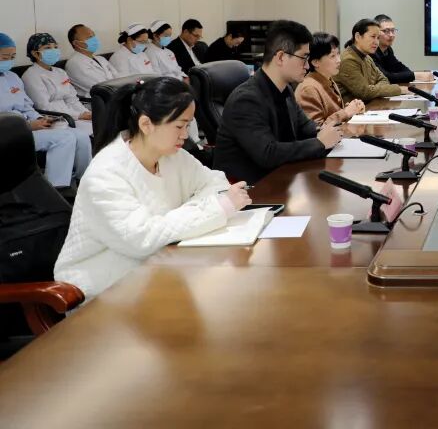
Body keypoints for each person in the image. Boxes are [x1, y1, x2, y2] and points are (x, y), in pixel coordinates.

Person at [53, 77, 252, 301]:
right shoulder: (106, 174)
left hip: (159, 272)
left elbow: (216, 183)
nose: (185, 135)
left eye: (188, 125)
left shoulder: (171, 156)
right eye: (179, 126)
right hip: (104, 290)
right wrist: (215, 209)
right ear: (146, 124)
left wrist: (195, 213)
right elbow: (142, 239)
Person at [213, 20, 341, 183]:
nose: (307, 65)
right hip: (249, 188)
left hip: (280, 177)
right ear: (280, 57)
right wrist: (319, 143)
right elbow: (268, 153)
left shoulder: (285, 89)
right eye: (303, 57)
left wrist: (327, 131)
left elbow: (305, 128)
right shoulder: (246, 100)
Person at [0, 32, 90, 192]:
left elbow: (27, 106)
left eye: (12, 57)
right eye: (5, 57)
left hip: (29, 125)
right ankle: (55, 189)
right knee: (64, 138)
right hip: (10, 133)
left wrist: (41, 119)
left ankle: (84, 180)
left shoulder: (12, 77)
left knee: (80, 135)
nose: (9, 61)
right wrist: (28, 125)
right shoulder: (31, 75)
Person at [21, 32, 93, 134]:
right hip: (55, 118)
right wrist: (78, 116)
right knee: (91, 130)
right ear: (35, 53)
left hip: (72, 114)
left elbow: (71, 98)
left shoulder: (60, 72)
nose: (53, 50)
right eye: (47, 48)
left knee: (101, 124)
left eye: (55, 47)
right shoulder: (31, 75)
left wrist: (85, 113)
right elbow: (43, 106)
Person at [295, 32, 366, 126]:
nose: (339, 60)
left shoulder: (327, 79)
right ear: (315, 62)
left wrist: (352, 109)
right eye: (332, 56)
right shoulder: (309, 89)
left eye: (338, 54)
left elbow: (332, 113)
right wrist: (345, 112)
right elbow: (316, 130)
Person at [337, 19, 405, 102]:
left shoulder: (367, 57)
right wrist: (398, 89)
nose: (376, 42)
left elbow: (384, 79)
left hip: (368, 106)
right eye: (373, 37)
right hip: (352, 109)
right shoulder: (348, 60)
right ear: (358, 37)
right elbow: (364, 92)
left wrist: (372, 89)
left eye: (378, 38)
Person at [371, 14, 434, 85]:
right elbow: (386, 77)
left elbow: (398, 66)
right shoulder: (371, 51)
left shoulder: (388, 49)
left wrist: (412, 74)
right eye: (386, 31)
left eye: (393, 30)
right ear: (376, 33)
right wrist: (415, 75)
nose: (391, 35)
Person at [65, 23, 119, 100]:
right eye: (89, 37)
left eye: (93, 35)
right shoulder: (74, 63)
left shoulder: (100, 59)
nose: (94, 39)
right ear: (76, 43)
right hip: (96, 102)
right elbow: (101, 86)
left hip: (114, 96)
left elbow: (118, 77)